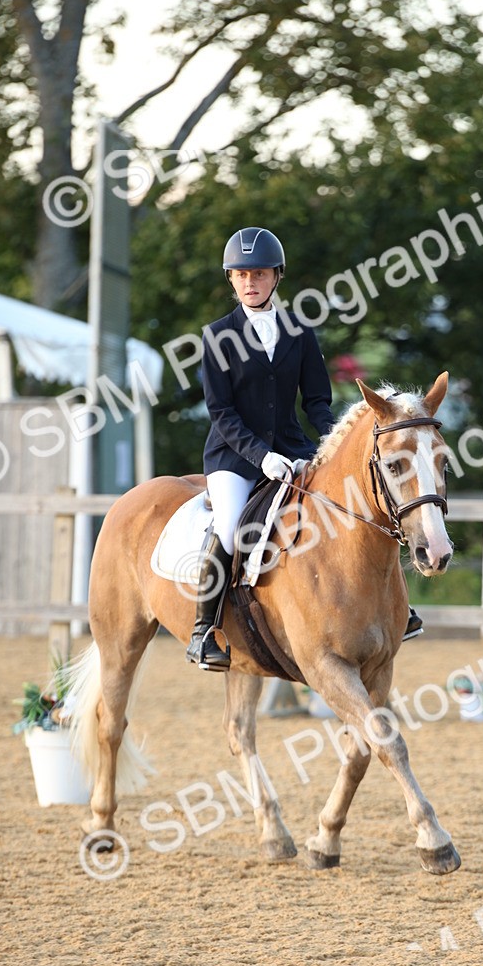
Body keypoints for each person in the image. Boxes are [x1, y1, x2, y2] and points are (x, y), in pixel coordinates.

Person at [185, 225, 423, 671]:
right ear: (231, 280)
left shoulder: (298, 330)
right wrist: (261, 457)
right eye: (240, 275)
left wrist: (334, 445)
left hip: (293, 449)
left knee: (354, 508)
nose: (249, 282)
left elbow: (316, 401)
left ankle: (393, 611)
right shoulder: (217, 336)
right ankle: (204, 631)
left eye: (257, 274)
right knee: (232, 527)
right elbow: (221, 412)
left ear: (276, 276)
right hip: (234, 458)